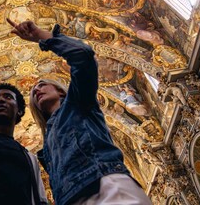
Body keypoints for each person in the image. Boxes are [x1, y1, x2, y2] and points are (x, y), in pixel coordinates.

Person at [8, 18, 152, 205]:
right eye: (33, 93)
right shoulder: (47, 146)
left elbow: (83, 56)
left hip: (104, 186)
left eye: (42, 85)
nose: (36, 90)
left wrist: (41, 37)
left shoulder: (79, 102)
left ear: (60, 90)